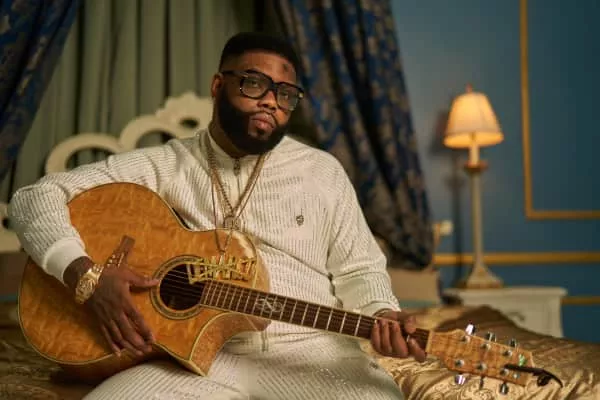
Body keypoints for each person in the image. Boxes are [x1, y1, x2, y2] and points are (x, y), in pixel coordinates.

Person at [9, 32, 425, 399]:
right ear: (217, 85)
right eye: (254, 83)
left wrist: (382, 313)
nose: (271, 100)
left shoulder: (322, 171)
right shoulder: (167, 164)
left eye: (285, 94)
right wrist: (87, 277)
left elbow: (360, 269)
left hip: (311, 349)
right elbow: (33, 198)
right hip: (193, 358)